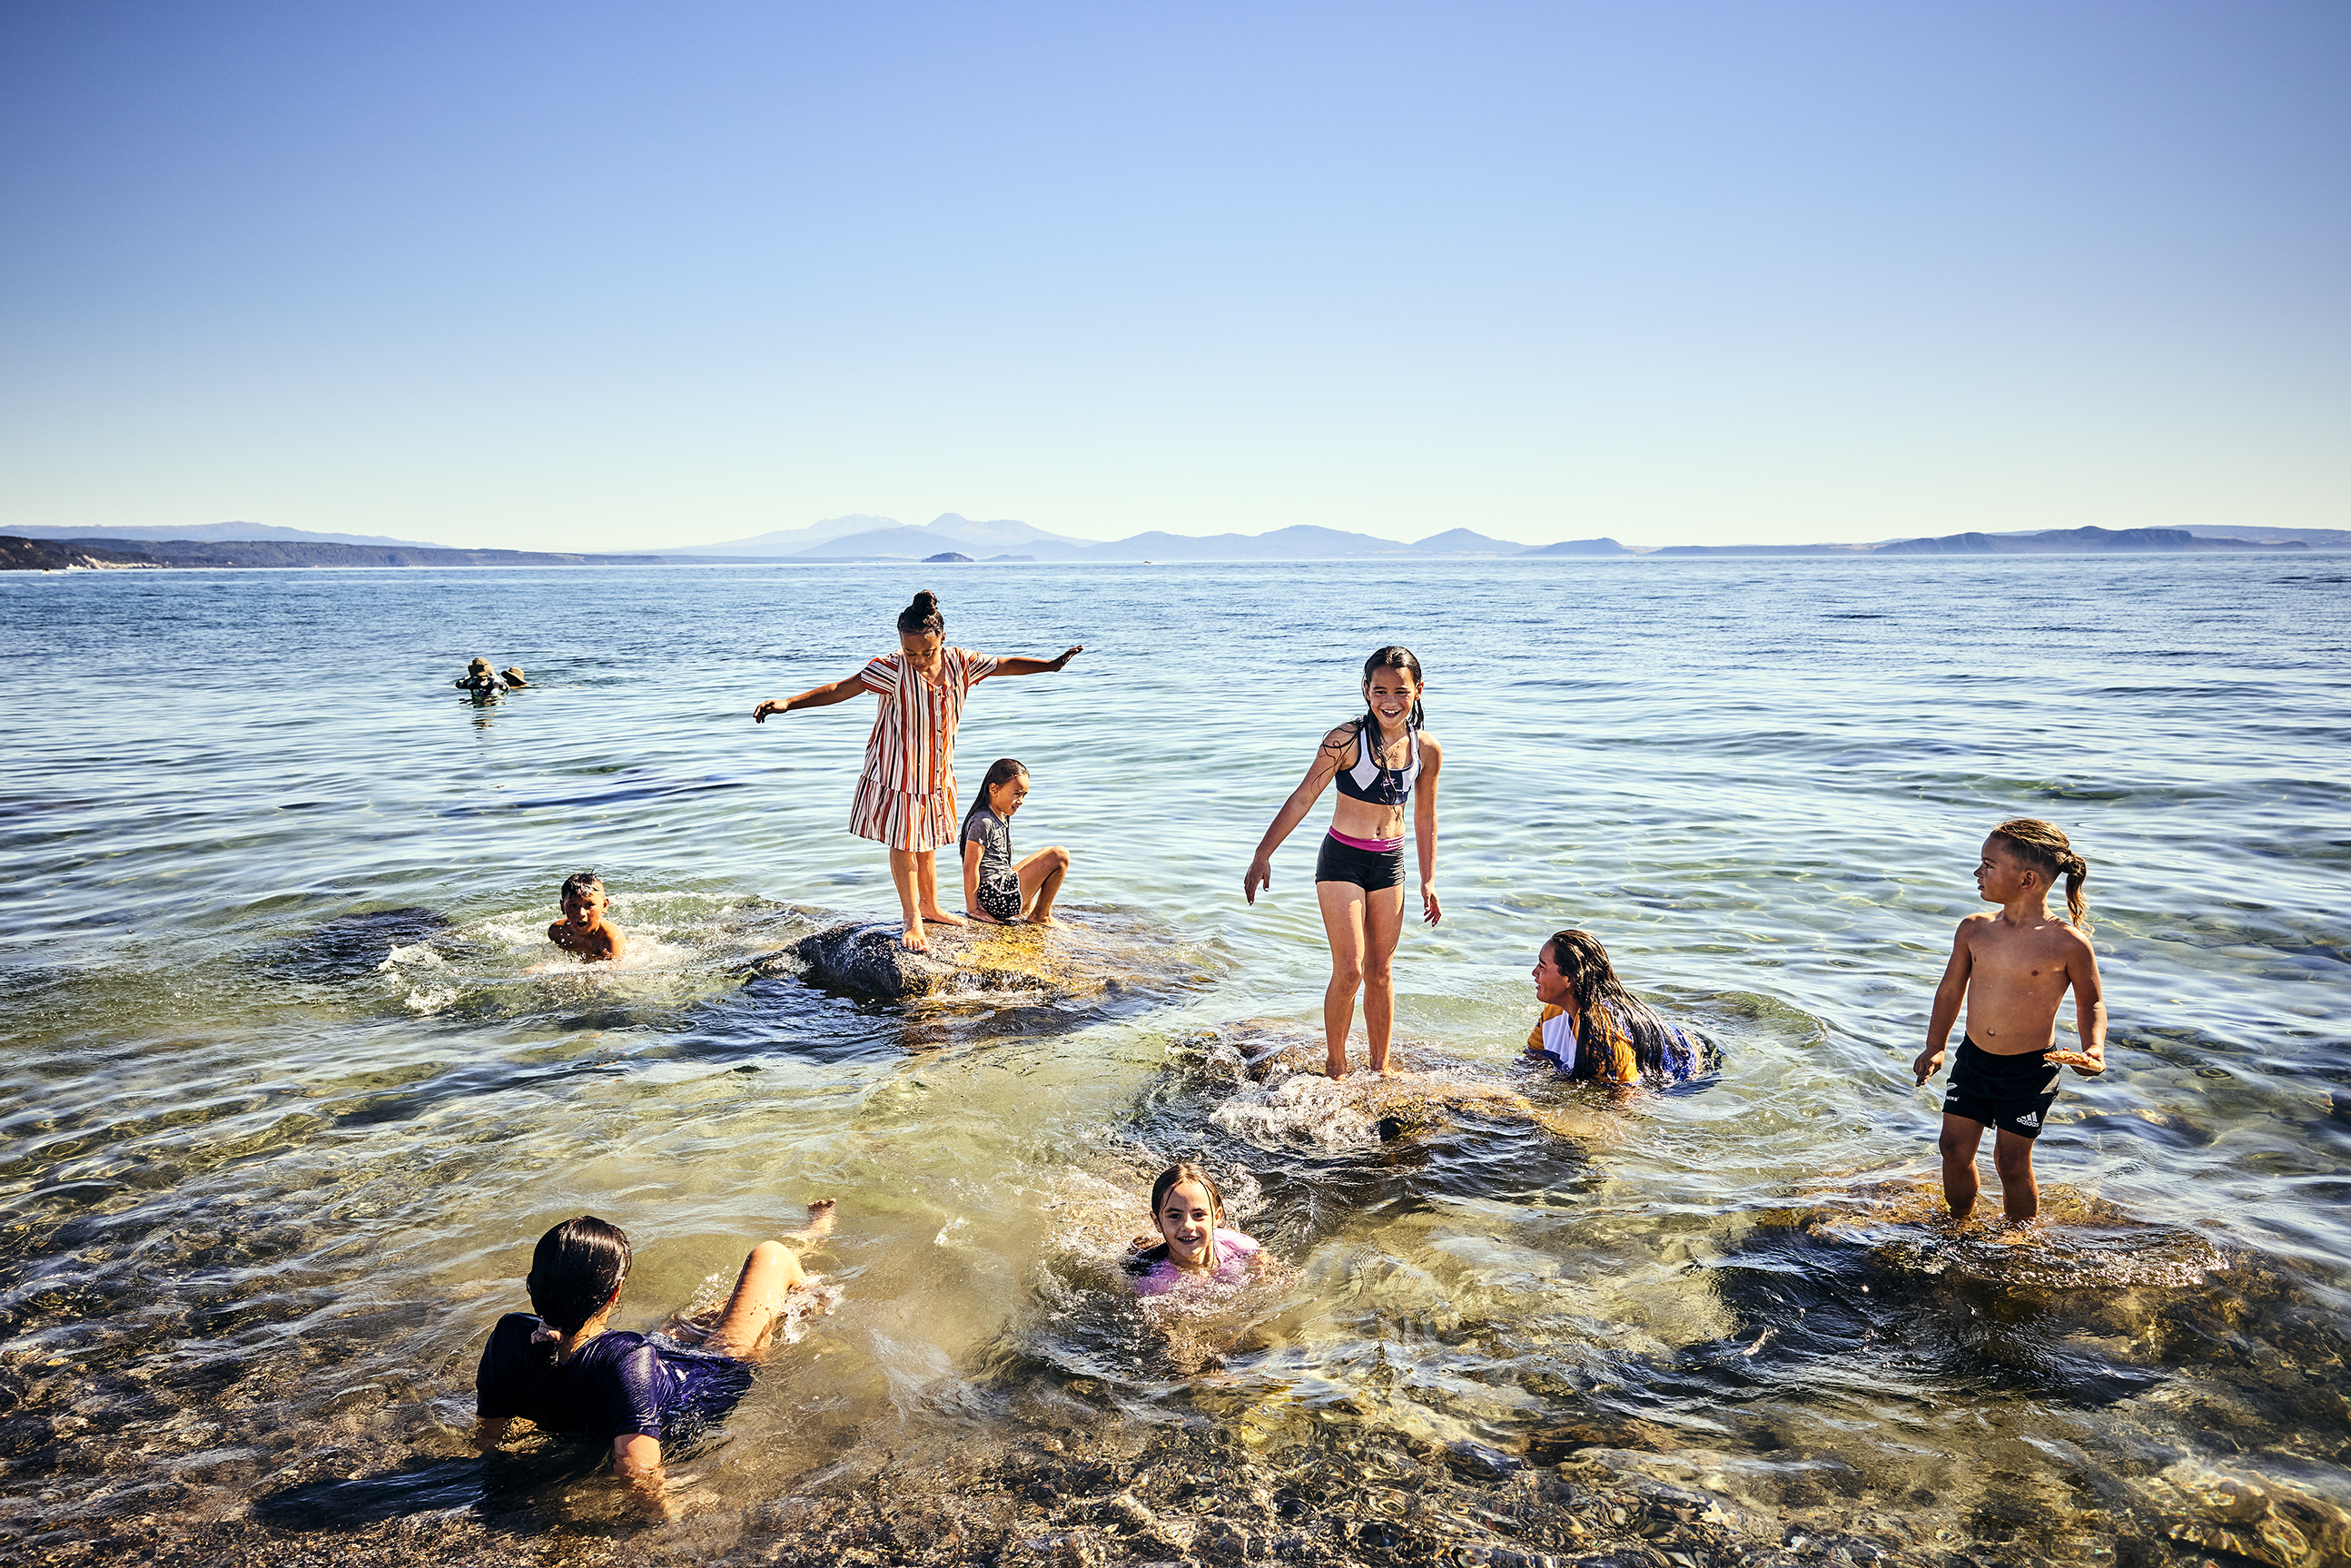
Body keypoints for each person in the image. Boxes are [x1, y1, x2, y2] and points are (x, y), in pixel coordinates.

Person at [753, 590, 1082, 952]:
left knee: (926, 842)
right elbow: (839, 689)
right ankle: (912, 919)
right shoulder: (890, 668)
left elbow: (1005, 664)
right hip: (897, 771)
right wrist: (789, 703)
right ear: (900, 644)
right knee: (905, 842)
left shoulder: (961, 663)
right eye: (911, 652)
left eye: (928, 651)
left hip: (937, 772)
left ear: (942, 639)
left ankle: (931, 906)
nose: (920, 659)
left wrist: (1049, 666)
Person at [474, 1203, 835, 1518]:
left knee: (712, 1312)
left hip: (652, 1366)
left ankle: (808, 1244)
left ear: (533, 1286)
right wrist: (667, 1520)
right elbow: (635, 1469)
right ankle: (814, 1249)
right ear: (614, 1294)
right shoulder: (627, 1357)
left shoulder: (509, 1334)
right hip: (716, 1366)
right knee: (770, 1256)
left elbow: (490, 1432)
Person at [1243, 647, 1444, 1077]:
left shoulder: (1426, 749)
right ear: (1366, 691)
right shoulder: (1345, 741)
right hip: (1342, 860)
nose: (1389, 700)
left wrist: (1428, 879)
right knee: (1350, 970)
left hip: (1390, 863)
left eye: (1400, 691)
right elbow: (1303, 797)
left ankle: (1380, 1068)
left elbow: (1425, 815)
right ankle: (1336, 1066)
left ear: (1419, 691)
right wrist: (1263, 853)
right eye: (1379, 691)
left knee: (1381, 971)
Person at [1911, 819, 2107, 1225]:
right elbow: (1950, 991)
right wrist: (1935, 1046)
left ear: (2027, 879)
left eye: (1987, 865)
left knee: (2011, 1161)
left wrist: (2093, 1049)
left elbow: (2092, 1003)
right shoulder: (1974, 929)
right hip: (1975, 1060)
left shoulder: (2068, 942)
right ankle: (1958, 1220)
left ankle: (2019, 1235)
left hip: (2029, 1070)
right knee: (1952, 1147)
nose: (1977, 873)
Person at [1526, 929, 1707, 1083]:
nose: (1534, 972)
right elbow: (1531, 1059)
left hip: (1687, 1069)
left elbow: (1628, 1099)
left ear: (1571, 979)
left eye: (1542, 966)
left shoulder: (1604, 1033)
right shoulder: (1554, 1009)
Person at [959, 757, 1072, 926]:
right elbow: (970, 867)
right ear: (994, 789)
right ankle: (1041, 916)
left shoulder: (999, 815)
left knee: (1048, 850)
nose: (1021, 801)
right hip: (996, 897)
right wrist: (973, 909)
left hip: (999, 891)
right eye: (1017, 794)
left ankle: (1027, 910)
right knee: (1060, 855)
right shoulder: (983, 821)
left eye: (1024, 795)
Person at [1123, 1162, 1263, 1296]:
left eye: (1198, 1215)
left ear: (1216, 1217)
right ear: (1157, 1222)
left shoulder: (1245, 1249)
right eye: (1175, 1216)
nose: (1188, 1226)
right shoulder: (1153, 1283)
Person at [548, 872, 627, 963]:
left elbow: (611, 971)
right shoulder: (558, 932)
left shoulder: (610, 938)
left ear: (604, 906)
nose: (581, 913)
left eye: (589, 905)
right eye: (573, 906)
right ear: (562, 907)